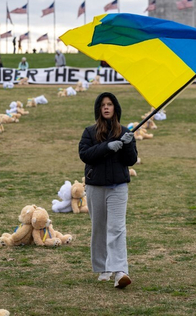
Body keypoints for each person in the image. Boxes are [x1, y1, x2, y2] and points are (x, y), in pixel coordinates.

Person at [78, 92, 138, 289]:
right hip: (95, 186)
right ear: (98, 109)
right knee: (99, 227)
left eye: (110, 104)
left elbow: (130, 160)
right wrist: (106, 147)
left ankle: (120, 271)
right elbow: (85, 154)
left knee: (117, 228)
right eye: (103, 104)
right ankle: (104, 267)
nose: (106, 107)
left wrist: (128, 145)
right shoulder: (89, 132)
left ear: (115, 108)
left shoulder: (125, 132)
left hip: (118, 187)